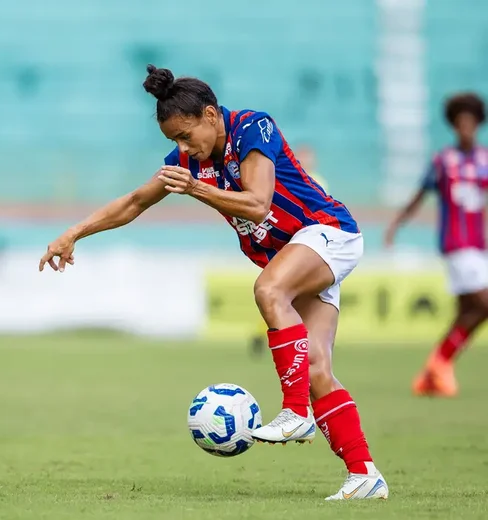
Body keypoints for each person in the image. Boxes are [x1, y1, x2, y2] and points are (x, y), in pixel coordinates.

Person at [39, 65, 388, 501]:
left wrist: (194, 189)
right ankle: (365, 474)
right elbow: (133, 203)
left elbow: (259, 204)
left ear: (210, 115)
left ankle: (296, 413)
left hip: (326, 231)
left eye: (187, 136)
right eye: (174, 143)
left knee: (268, 289)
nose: (184, 148)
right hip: (297, 256)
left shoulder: (251, 127)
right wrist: (73, 233)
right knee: (316, 369)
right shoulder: (188, 163)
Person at [385, 92, 488, 398]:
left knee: (466, 311)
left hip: (480, 245)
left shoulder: (485, 159)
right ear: (454, 126)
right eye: (460, 123)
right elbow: (420, 196)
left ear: (477, 124)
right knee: (484, 304)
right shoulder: (443, 161)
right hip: (457, 244)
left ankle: (433, 374)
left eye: (470, 123)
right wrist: (396, 224)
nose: (465, 128)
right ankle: (439, 362)